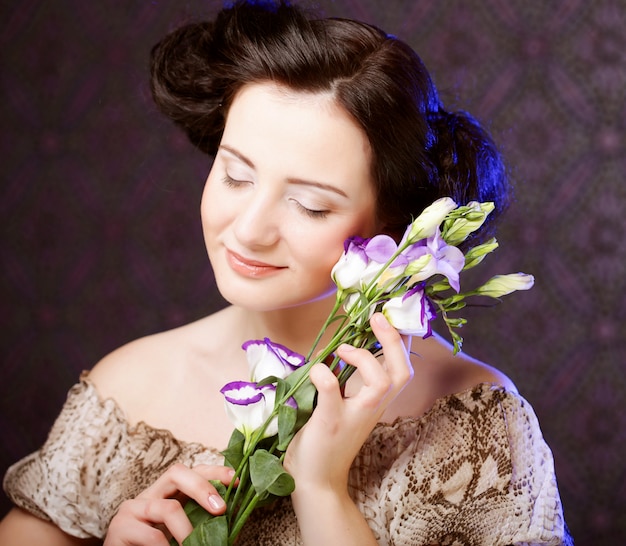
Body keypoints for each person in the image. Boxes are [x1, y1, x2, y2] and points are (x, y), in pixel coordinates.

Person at [0, 1, 572, 544]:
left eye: (311, 205)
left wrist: (322, 490)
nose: (249, 229)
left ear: (394, 228)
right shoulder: (126, 392)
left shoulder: (476, 423)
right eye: (235, 175)